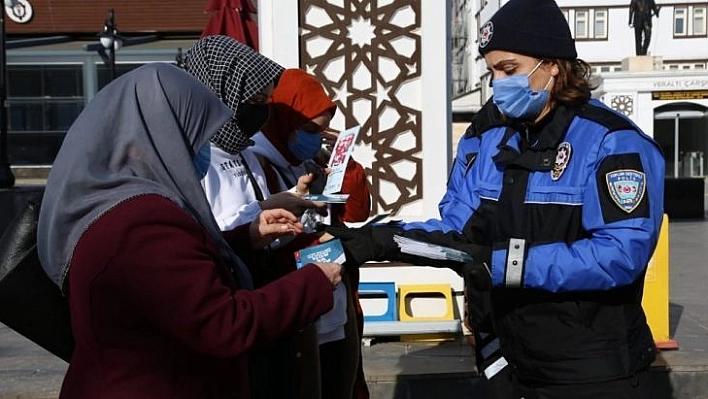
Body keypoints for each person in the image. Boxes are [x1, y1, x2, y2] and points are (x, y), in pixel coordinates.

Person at [325, 0, 665, 397]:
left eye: (510, 70)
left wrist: (508, 264)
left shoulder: (612, 142)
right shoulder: (488, 139)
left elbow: (622, 253)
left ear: (553, 65)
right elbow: (458, 234)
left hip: (592, 370)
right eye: (491, 72)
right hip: (511, 363)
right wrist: (379, 239)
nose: (498, 84)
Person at [36, 63, 342, 398]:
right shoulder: (141, 223)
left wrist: (243, 239)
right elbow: (222, 323)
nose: (202, 151)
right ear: (159, 137)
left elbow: (175, 283)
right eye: (194, 138)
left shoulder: (121, 207)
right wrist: (314, 280)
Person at [253, 68, 372, 399]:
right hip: (295, 303)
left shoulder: (310, 159)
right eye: (307, 130)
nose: (313, 139)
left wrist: (344, 164)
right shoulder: (256, 163)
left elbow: (358, 210)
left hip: (334, 298)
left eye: (320, 132)